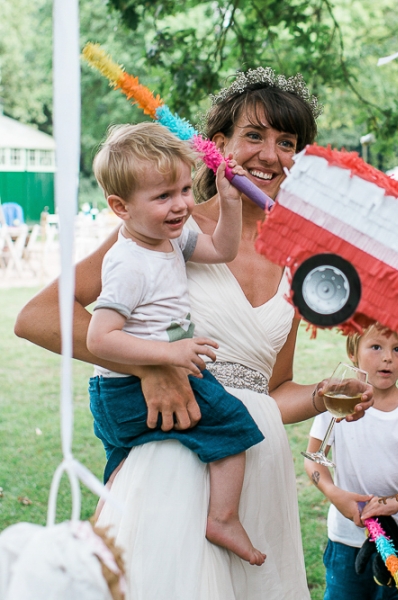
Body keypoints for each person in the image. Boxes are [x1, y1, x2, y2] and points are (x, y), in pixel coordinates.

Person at [14, 67, 373, 600]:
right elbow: (38, 316)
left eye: (287, 142)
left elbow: (271, 391)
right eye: (254, 136)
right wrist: (151, 365)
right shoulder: (167, 227)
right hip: (175, 459)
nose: (270, 156)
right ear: (219, 144)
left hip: (257, 470)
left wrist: (322, 397)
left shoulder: (301, 264)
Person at [85, 122, 265, 565]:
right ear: (120, 207)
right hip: (126, 388)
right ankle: (222, 518)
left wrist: (228, 202)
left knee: (127, 472)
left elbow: (223, 250)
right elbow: (99, 337)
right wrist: (169, 356)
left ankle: (105, 533)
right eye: (163, 196)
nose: (181, 204)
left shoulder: (171, 239)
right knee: (233, 423)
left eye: (184, 189)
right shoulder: (129, 263)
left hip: (120, 393)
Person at [304, 323, 398, 600]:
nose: (387, 357)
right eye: (376, 347)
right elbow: (314, 461)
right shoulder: (337, 402)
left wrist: (394, 502)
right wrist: (334, 493)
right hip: (348, 541)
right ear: (354, 351)